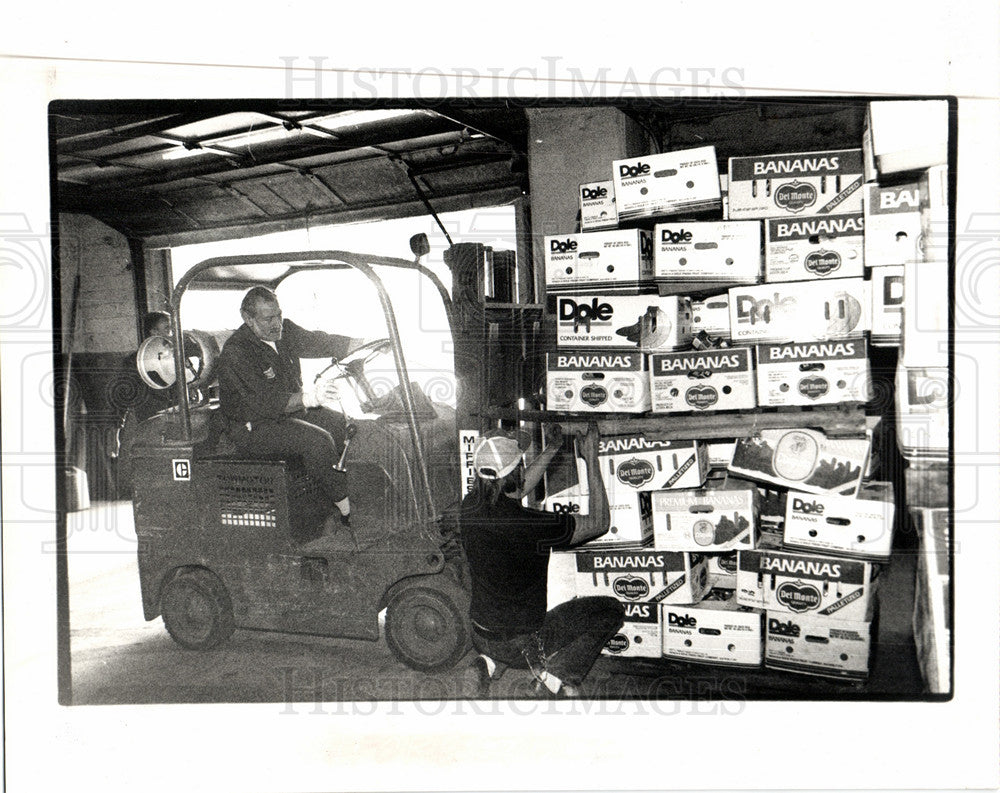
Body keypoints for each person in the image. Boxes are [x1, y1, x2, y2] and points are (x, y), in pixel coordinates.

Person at [459, 422, 625, 699]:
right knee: (609, 609)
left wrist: (552, 448)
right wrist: (590, 458)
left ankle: (486, 663)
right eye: (521, 466)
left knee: (506, 628)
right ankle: (552, 681)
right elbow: (599, 523)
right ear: (516, 472)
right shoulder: (531, 525)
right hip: (522, 642)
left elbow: (516, 491)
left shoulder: (470, 505)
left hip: (480, 633)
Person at [216, 286, 368, 535]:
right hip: (253, 427)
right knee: (316, 441)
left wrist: (359, 344)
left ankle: (353, 493)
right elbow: (263, 402)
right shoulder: (237, 352)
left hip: (287, 414)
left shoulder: (283, 332)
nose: (277, 323)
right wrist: (310, 398)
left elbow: (318, 341)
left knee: (346, 426)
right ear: (247, 318)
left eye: (278, 315)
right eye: (268, 319)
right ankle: (348, 512)